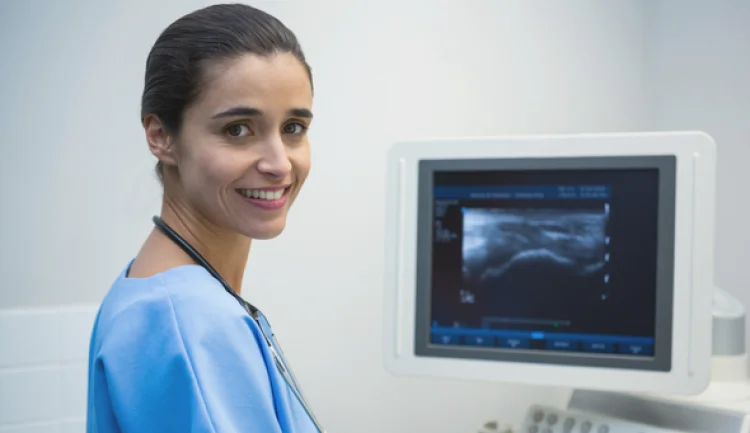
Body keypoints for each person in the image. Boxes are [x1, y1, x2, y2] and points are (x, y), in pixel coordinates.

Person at [85, 4, 322, 432]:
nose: (279, 164)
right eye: (238, 130)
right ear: (161, 137)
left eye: (293, 128)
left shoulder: (153, 291)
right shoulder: (188, 321)